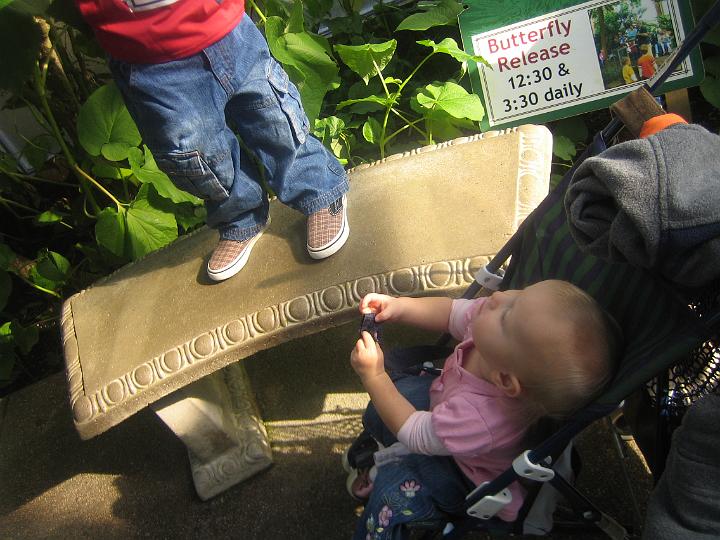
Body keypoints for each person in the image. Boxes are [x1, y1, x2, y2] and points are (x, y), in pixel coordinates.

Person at [73, 0, 350, 282]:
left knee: (272, 116)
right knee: (197, 152)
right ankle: (239, 218)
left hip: (223, 25)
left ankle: (319, 190)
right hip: (148, 57)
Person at [348, 280, 621, 539]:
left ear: (504, 379)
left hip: (466, 472)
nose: (500, 297)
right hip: (444, 407)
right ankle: (388, 453)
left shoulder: (483, 417)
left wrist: (375, 376)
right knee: (386, 405)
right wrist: (401, 307)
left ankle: (386, 479)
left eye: (508, 315)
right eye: (520, 294)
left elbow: (417, 433)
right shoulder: (493, 330)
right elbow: (451, 313)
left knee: (391, 492)